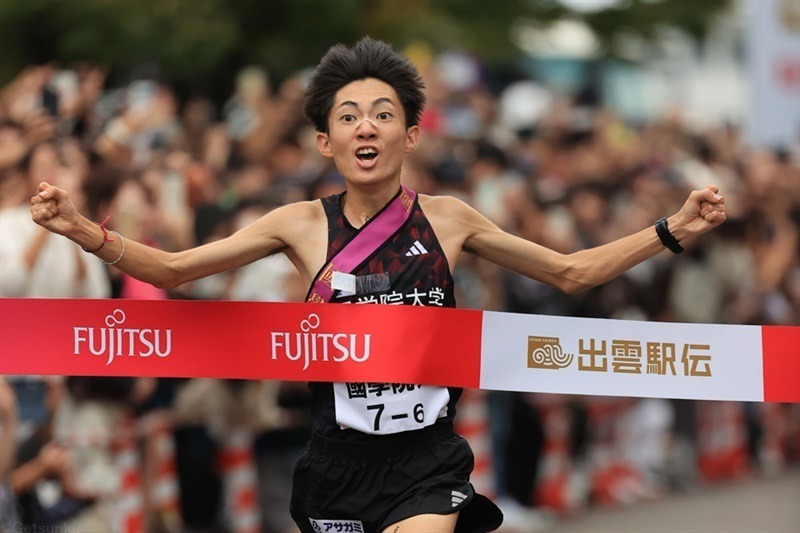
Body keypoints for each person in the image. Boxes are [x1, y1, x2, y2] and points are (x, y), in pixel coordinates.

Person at [30, 37, 726, 533]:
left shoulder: (451, 220)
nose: (368, 125)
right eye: (349, 115)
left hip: (427, 459)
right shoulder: (299, 224)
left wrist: (671, 229)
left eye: (384, 113)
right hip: (335, 460)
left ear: (411, 135)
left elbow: (571, 271)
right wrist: (82, 227)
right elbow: (177, 269)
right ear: (326, 142)